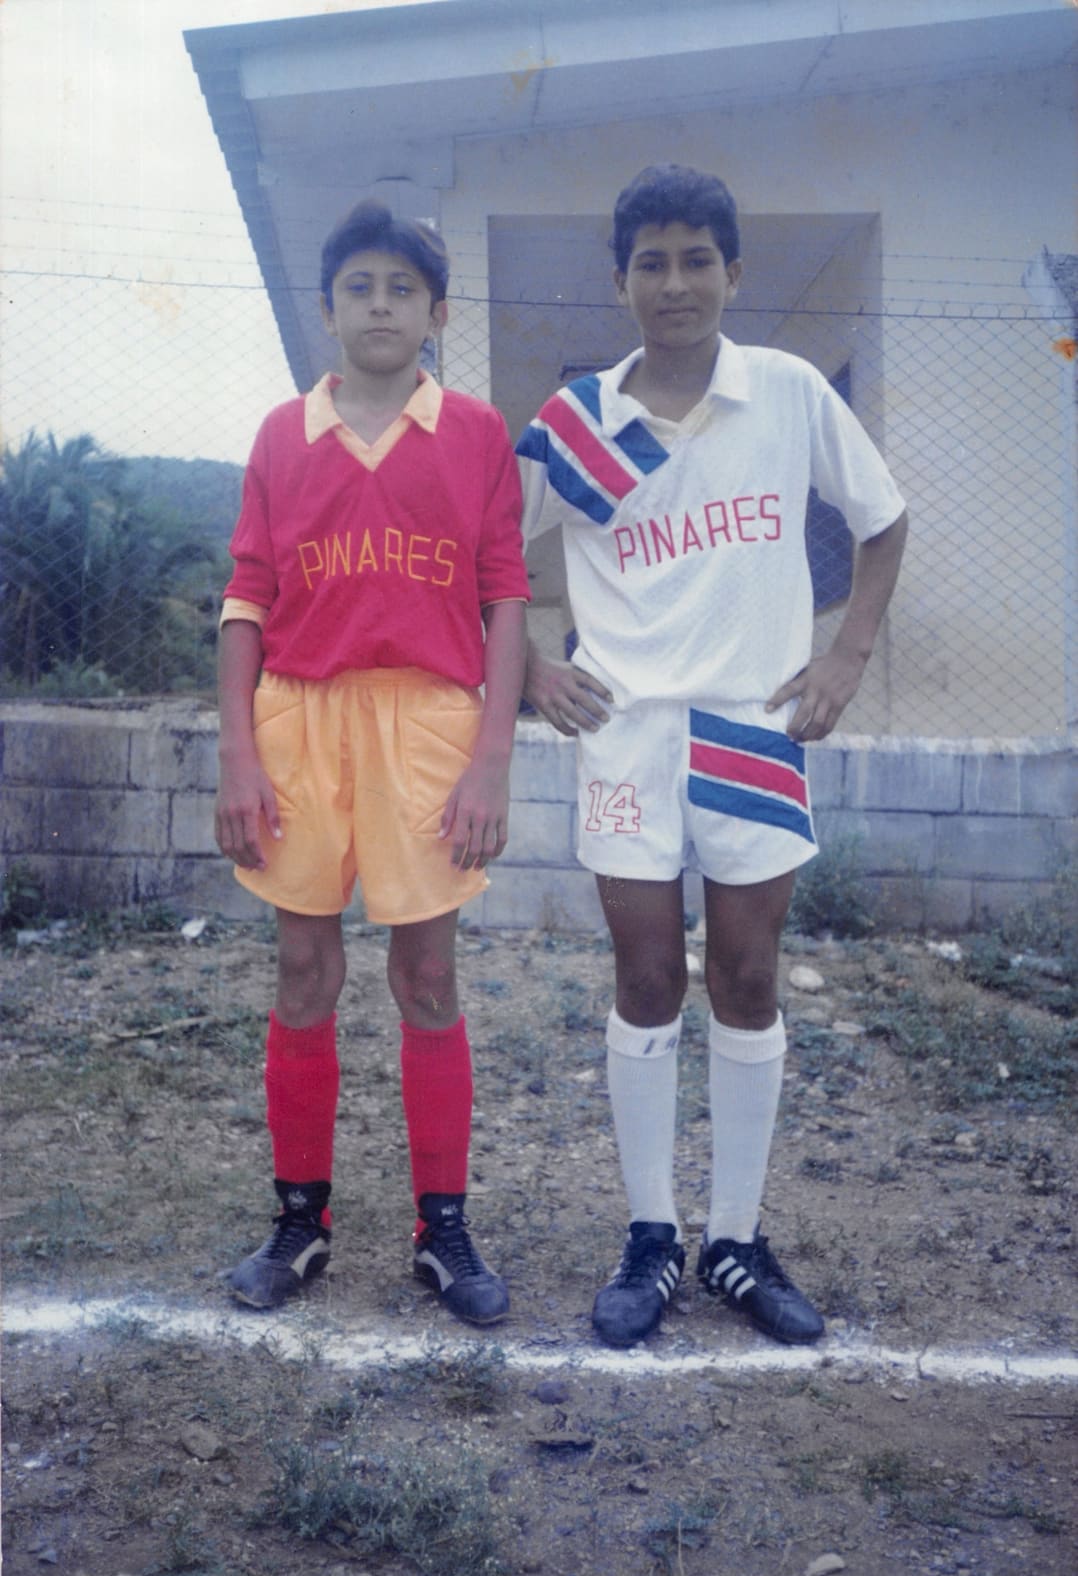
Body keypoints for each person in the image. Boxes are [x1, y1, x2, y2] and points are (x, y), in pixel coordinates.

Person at [516, 165, 907, 1349]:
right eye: (650, 262)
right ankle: (650, 1234)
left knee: (745, 973)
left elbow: (883, 521)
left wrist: (844, 656)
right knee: (645, 978)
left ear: (733, 272)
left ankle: (734, 1237)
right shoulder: (580, 421)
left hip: (750, 725)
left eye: (697, 260)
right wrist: (536, 665)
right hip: (627, 730)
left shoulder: (784, 391)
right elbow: (495, 550)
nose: (674, 283)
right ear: (622, 278)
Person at [214, 200, 529, 1326]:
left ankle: (442, 1230)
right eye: (360, 286)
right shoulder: (279, 435)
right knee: (305, 973)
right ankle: (300, 1223)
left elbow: (503, 594)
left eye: (403, 287)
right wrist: (239, 755)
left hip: (429, 724)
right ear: (328, 308)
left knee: (426, 981)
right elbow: (247, 599)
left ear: (438, 312)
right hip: (300, 717)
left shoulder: (479, 434)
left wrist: (491, 755)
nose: (381, 305)